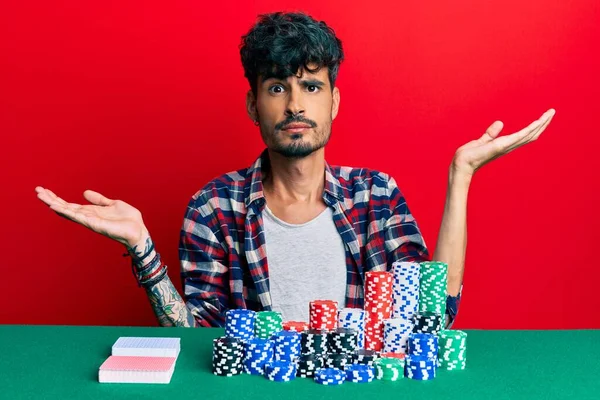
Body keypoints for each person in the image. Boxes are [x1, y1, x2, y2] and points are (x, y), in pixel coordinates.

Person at [35, 11, 555, 329]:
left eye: (311, 86)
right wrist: (142, 250)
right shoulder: (213, 208)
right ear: (252, 104)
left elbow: (429, 321)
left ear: (335, 102)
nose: (295, 106)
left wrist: (460, 176)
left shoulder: (375, 196)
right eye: (277, 87)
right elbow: (198, 340)